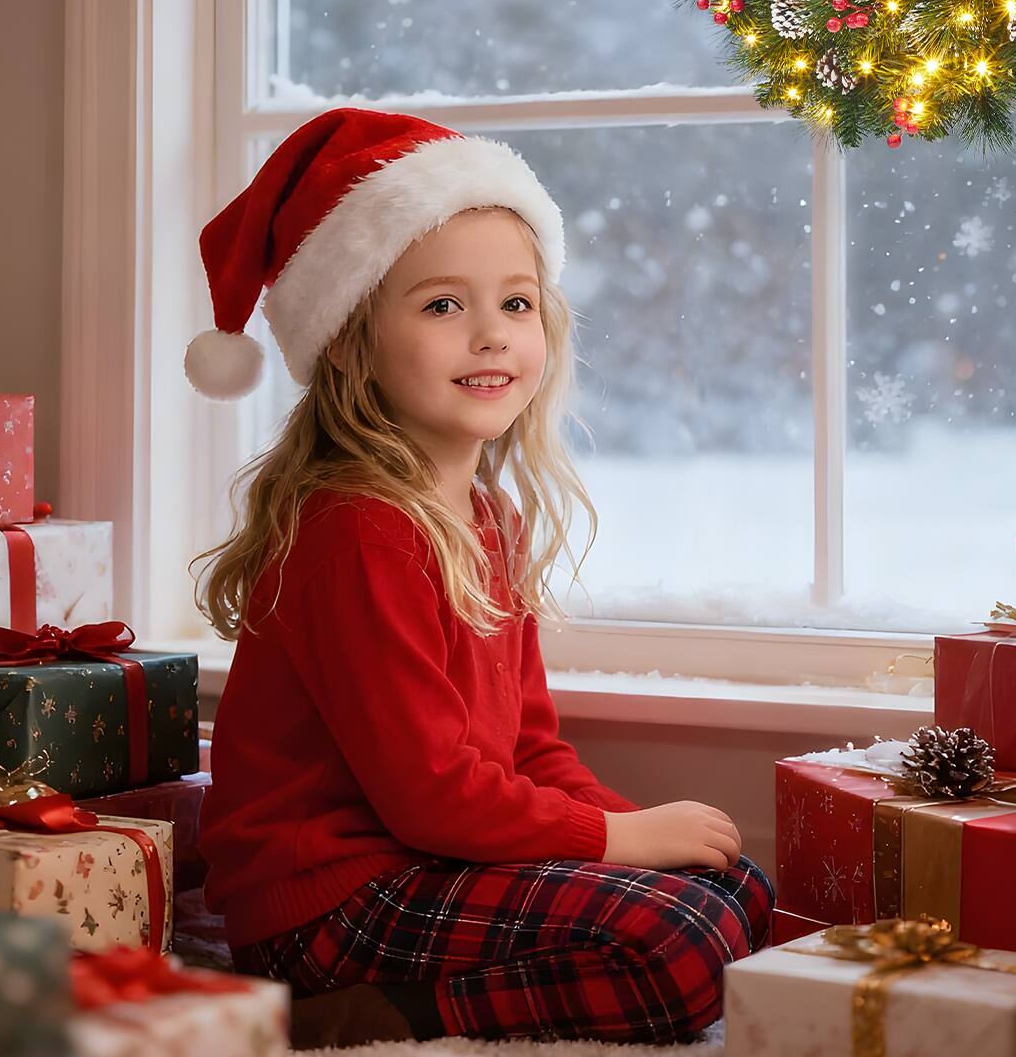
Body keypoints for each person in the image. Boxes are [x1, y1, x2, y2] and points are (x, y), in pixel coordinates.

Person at [188, 108, 774, 1047]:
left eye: (516, 303)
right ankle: (353, 1019)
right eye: (442, 306)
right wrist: (624, 849)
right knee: (681, 942)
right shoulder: (358, 531)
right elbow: (431, 793)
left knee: (731, 889)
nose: (492, 336)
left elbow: (528, 750)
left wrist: (643, 838)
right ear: (348, 340)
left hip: (430, 861)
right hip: (333, 900)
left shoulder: (484, 519)